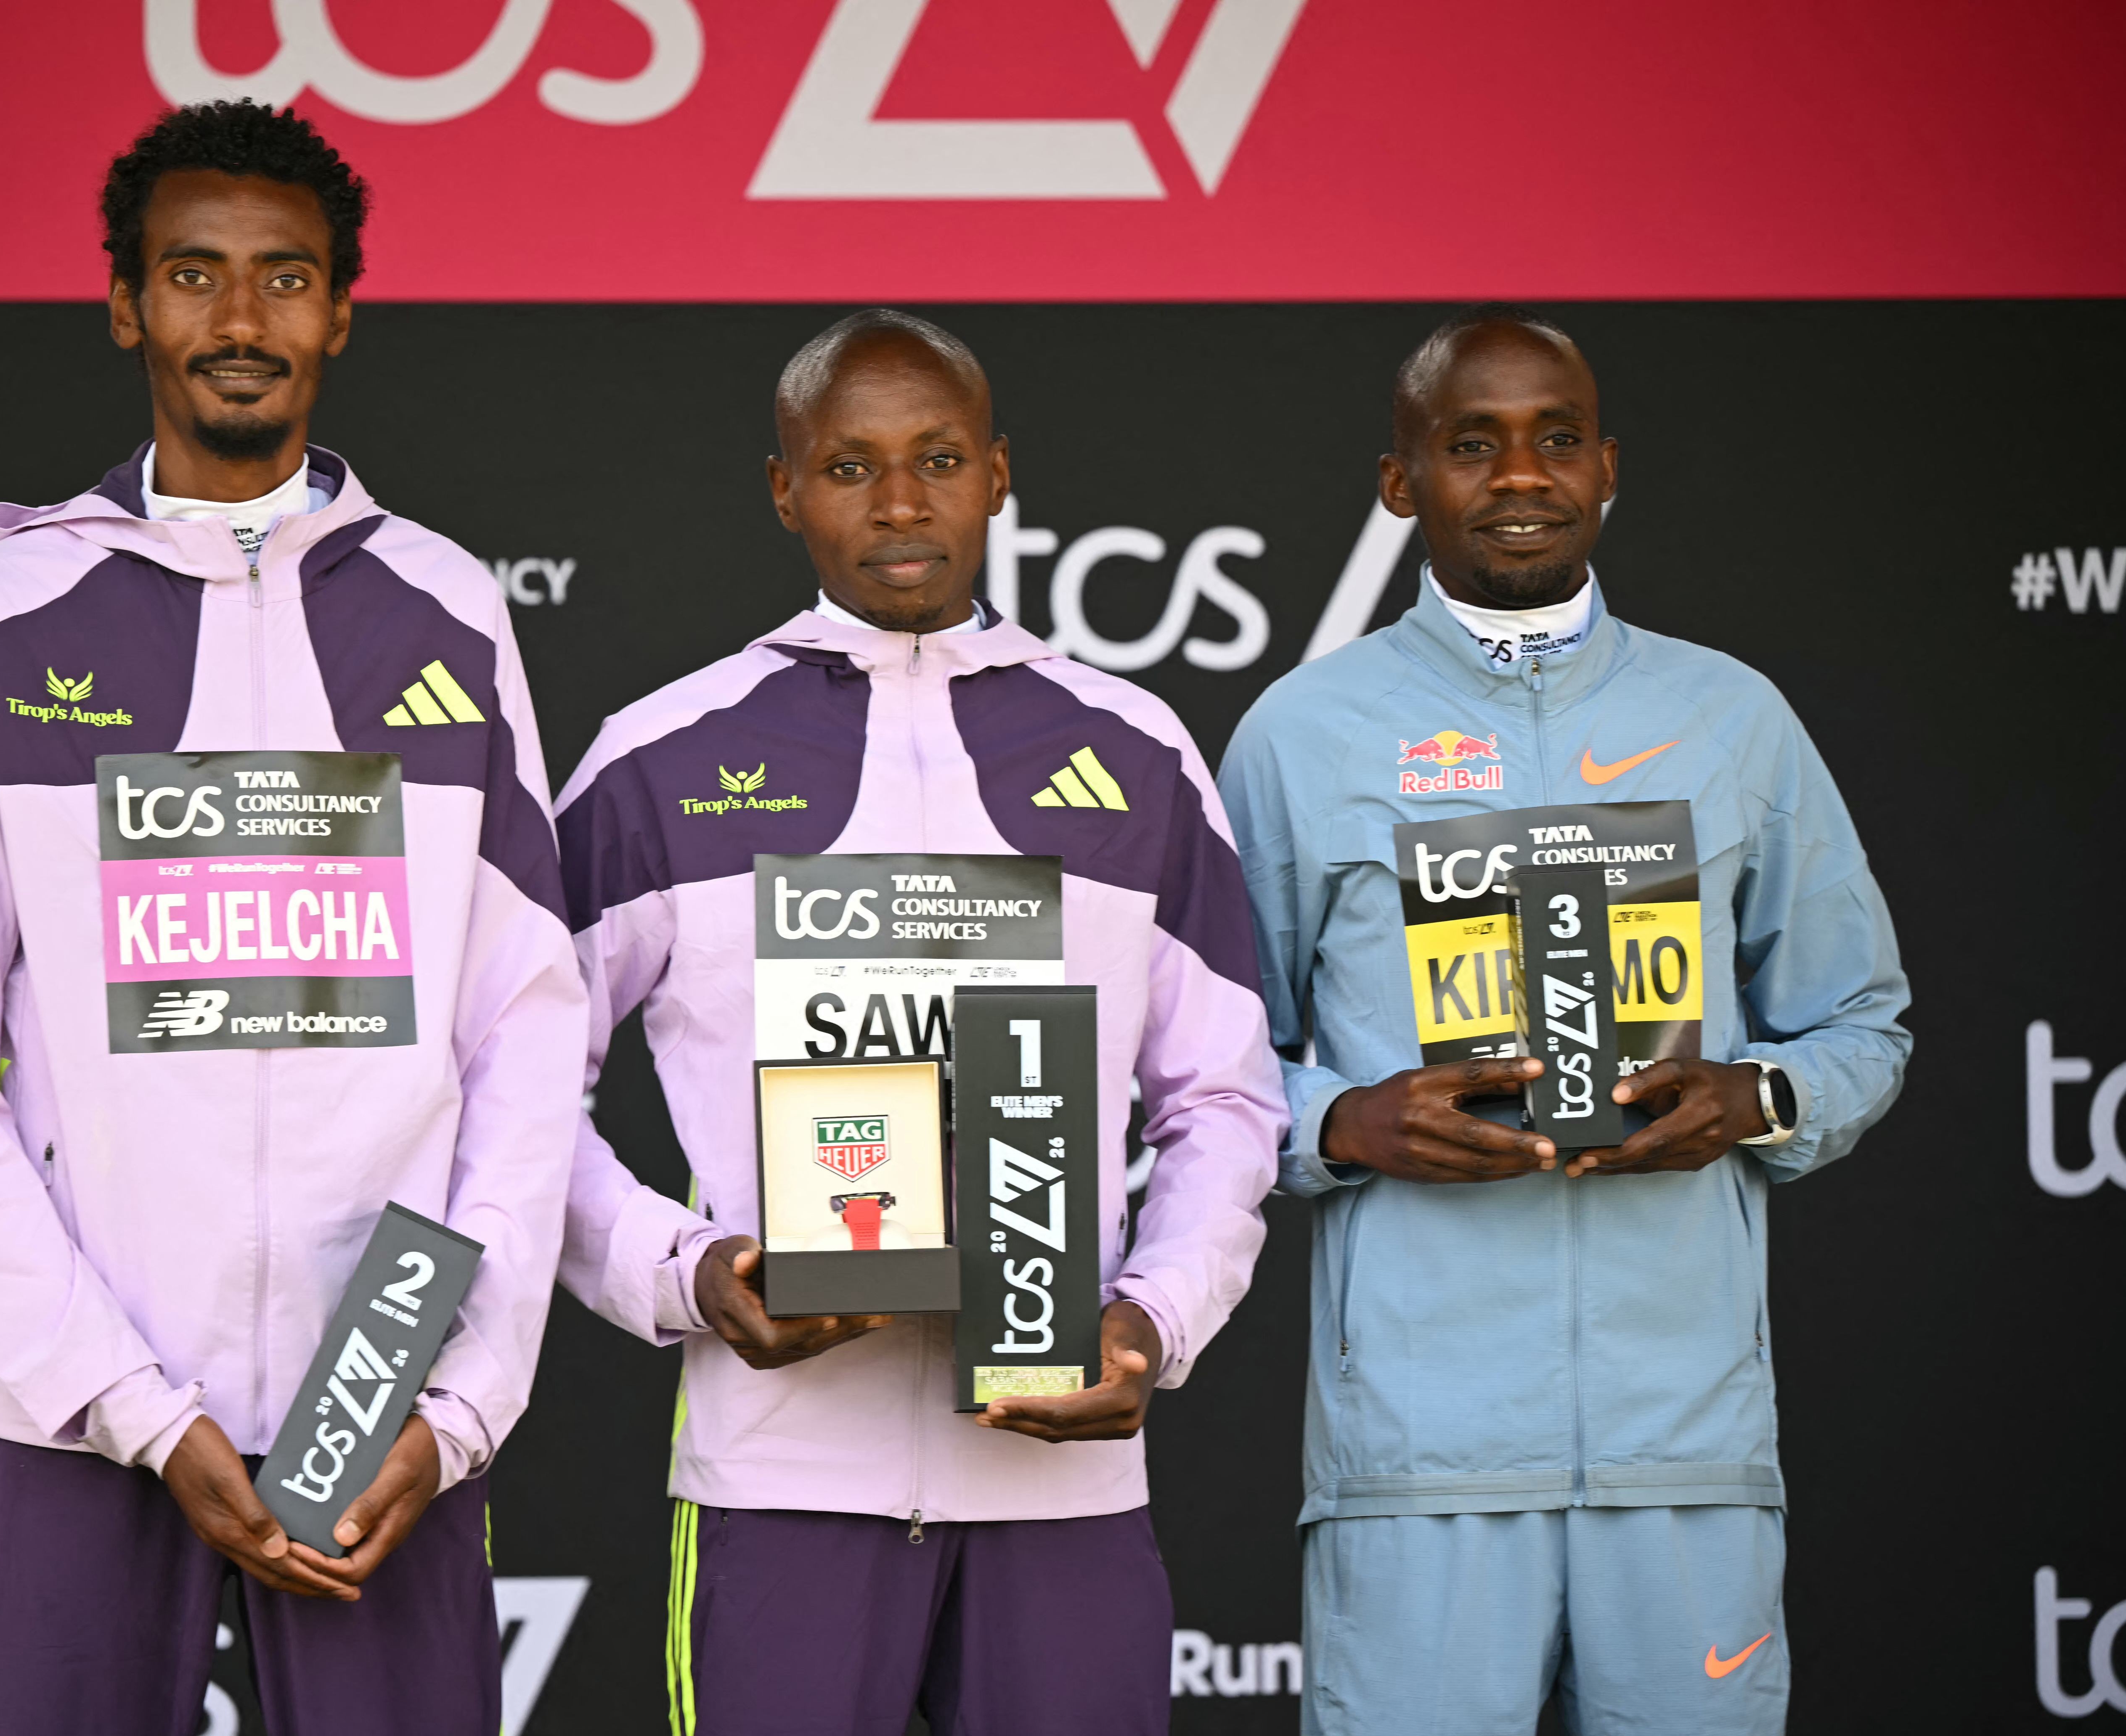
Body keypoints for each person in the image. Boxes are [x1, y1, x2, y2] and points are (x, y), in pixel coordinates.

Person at [0, 101, 584, 1736]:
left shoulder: (450, 611)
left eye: (285, 278)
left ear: (343, 309)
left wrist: (462, 1402)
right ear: (127, 305)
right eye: (194, 274)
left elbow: (528, 1032)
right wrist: (123, 1397)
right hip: (84, 1411)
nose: (241, 319)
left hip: (381, 1408)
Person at [552, 309, 1287, 1736]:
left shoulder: (1133, 751)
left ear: (998, 475)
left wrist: (1151, 1318)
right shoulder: (660, 757)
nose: (899, 503)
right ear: (786, 491)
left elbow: (1226, 1099)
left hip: (1060, 1472)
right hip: (781, 1479)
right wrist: (686, 1271)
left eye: (939, 460)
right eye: (850, 467)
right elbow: (515, 1090)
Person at [1217, 305, 1911, 1735]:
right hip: (1419, 1458)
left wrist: (1763, 1100)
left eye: (1558, 439)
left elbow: (1863, 1021)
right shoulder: (1303, 732)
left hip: (1688, 1451)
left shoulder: (1731, 716)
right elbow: (1209, 1074)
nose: (1522, 475)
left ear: (1609, 467)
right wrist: (1345, 1124)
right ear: (1403, 479)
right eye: (1474, 444)